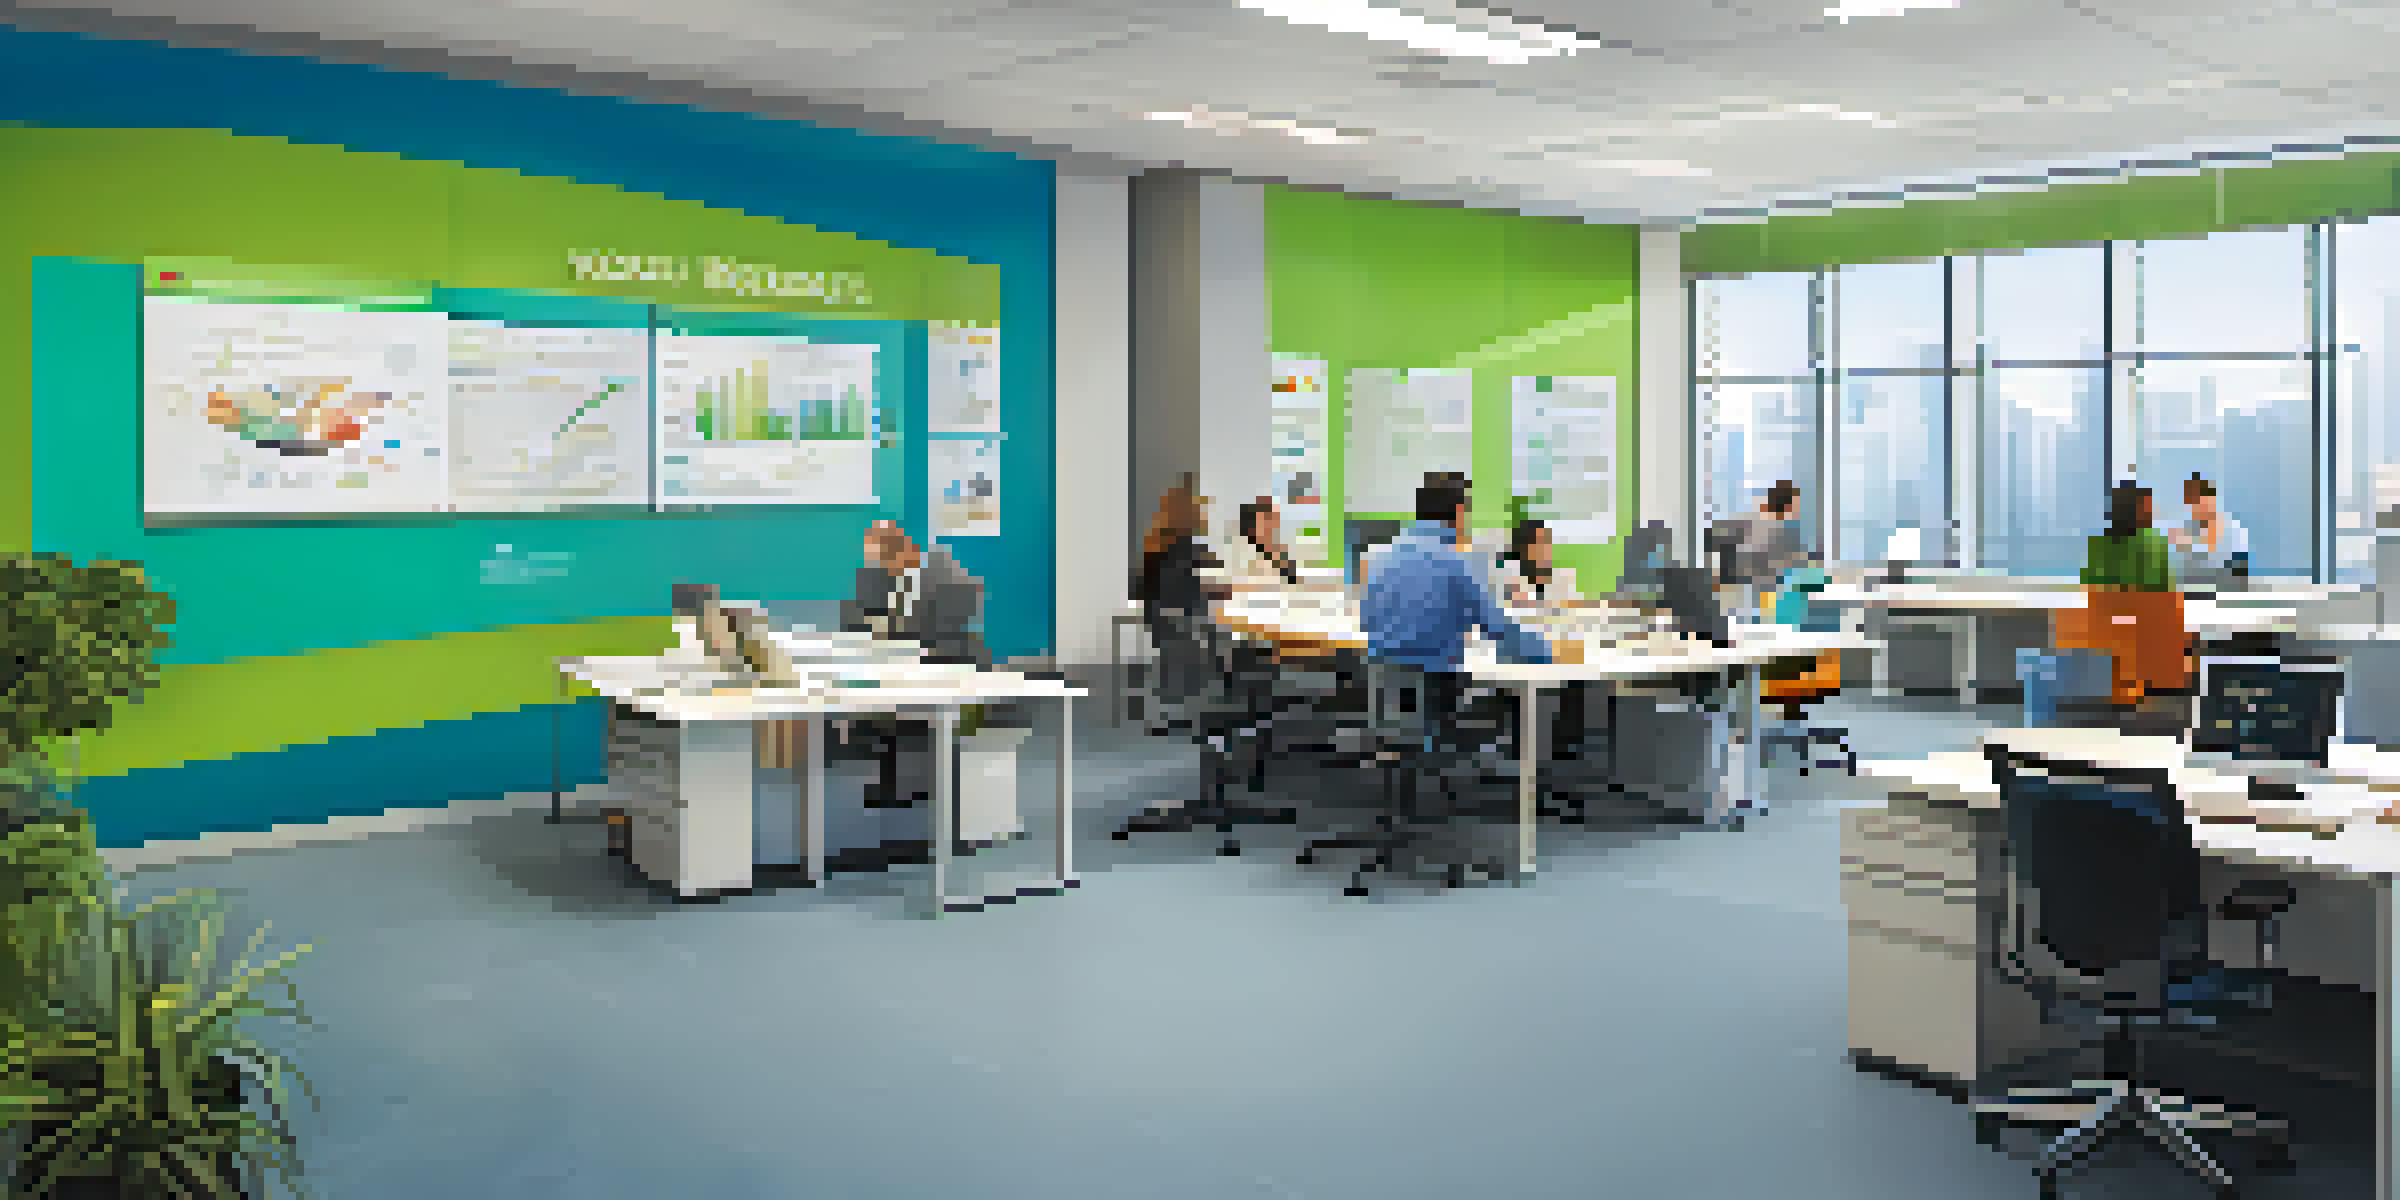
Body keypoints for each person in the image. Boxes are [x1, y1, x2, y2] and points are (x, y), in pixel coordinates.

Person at [2060, 481, 2188, 720]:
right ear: (2140, 510)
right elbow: (2163, 599)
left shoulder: (2097, 545)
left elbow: (2090, 593)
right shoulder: (2154, 543)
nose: (2154, 511)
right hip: (2149, 644)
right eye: (2149, 507)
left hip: (2107, 643)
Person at [2166, 473, 2250, 580]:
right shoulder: (2182, 532)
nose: (2194, 507)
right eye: (2190, 501)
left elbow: (2238, 574)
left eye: (2198, 500)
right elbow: (2175, 573)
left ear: (2212, 499)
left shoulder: (2234, 530)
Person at [1500, 519, 1581, 611]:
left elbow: (1572, 606)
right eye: (1537, 542)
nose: (1545, 548)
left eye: (1547, 541)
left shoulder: (1564, 576)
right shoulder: (1511, 575)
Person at [1224, 496, 1300, 589]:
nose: (1274, 525)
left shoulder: (1281, 551)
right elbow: (1235, 585)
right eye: (1268, 519)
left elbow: (1295, 583)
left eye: (1274, 519)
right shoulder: (1240, 552)